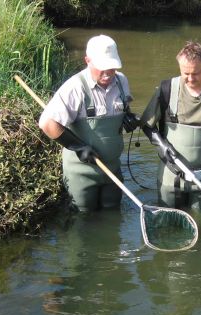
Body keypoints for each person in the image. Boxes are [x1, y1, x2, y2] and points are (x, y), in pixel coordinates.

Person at [38, 34, 139, 212]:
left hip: (112, 169)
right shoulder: (75, 87)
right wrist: (78, 147)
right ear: (87, 61)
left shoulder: (122, 81)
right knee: (83, 220)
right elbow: (47, 124)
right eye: (102, 68)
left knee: (112, 214)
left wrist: (127, 118)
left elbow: (123, 109)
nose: (108, 73)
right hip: (81, 173)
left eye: (112, 67)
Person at [140, 41, 201, 210]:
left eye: (196, 73)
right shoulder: (167, 89)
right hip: (171, 176)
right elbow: (147, 124)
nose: (191, 78)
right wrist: (161, 146)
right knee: (169, 225)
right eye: (186, 73)